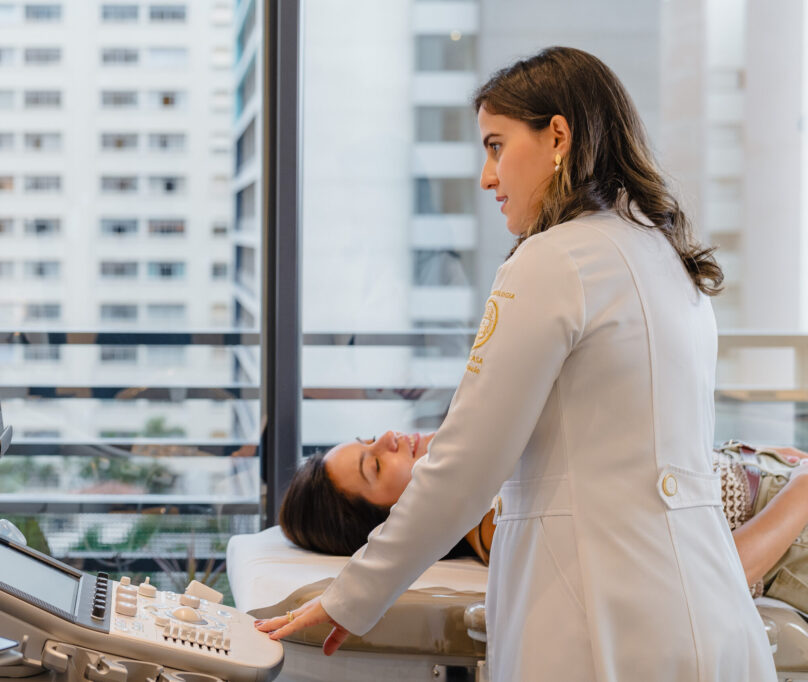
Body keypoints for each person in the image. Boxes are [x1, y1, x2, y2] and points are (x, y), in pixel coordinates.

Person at [255, 46, 776, 681]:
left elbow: (465, 462)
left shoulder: (553, 261)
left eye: (497, 146)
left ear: (557, 135)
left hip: (610, 623)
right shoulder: (667, 256)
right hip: (711, 613)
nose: (486, 176)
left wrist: (349, 597)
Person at [280, 430, 808, 608]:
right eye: (375, 464)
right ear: (391, 523)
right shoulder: (521, 517)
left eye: (373, 437)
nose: (391, 438)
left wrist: (769, 462)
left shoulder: (503, 469)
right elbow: (712, 578)